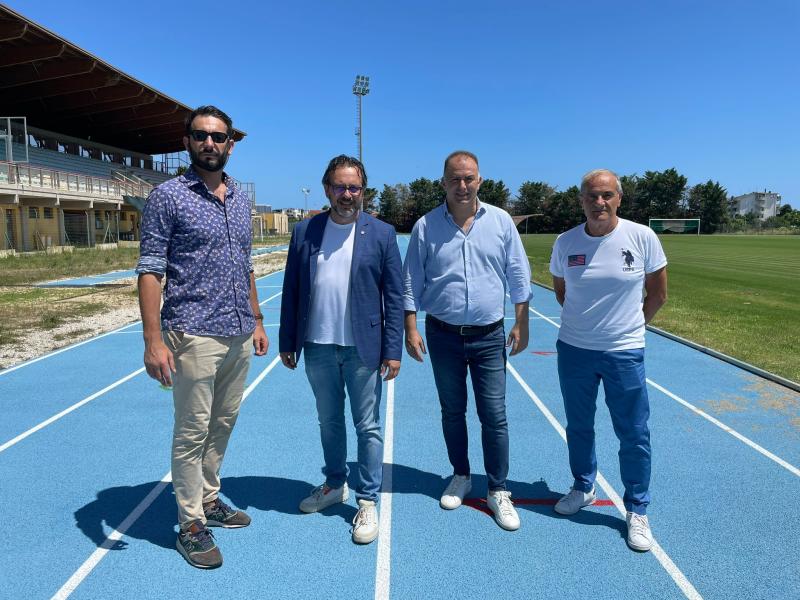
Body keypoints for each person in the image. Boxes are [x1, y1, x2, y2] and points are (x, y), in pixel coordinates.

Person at [136, 105, 268, 569]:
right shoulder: (168, 197)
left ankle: (210, 498)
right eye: (201, 136)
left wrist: (256, 319)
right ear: (187, 141)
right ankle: (190, 523)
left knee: (222, 423)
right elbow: (150, 270)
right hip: (191, 333)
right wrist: (153, 340)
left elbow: (246, 264)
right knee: (191, 431)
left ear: (230, 143)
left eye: (219, 137)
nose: (210, 144)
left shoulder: (239, 198)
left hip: (236, 332)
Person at [403, 150, 531, 531]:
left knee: (494, 415)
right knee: (452, 410)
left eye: (469, 178)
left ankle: (498, 489)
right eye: (455, 179)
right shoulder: (426, 227)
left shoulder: (502, 222)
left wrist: (521, 324)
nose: (462, 186)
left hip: (489, 335)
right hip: (442, 334)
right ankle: (460, 474)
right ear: (443, 182)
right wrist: (411, 328)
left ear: (480, 181)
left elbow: (519, 276)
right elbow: (411, 281)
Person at [279, 155, 403, 544]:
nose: (347, 194)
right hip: (317, 345)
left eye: (354, 187)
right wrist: (288, 341)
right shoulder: (305, 231)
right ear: (327, 188)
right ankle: (335, 485)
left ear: (363, 191)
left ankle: (367, 501)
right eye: (340, 186)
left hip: (363, 348)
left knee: (368, 426)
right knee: (329, 421)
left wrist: (393, 348)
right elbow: (291, 290)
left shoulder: (381, 234)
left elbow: (395, 296)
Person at [549, 168, 668, 552]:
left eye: (606, 195)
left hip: (624, 352)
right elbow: (562, 293)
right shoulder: (566, 242)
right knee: (579, 426)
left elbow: (658, 294)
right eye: (591, 196)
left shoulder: (642, 237)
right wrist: (589, 329)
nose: (599, 202)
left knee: (633, 432)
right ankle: (583, 486)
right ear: (581, 200)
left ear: (619, 198)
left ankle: (637, 508)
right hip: (575, 350)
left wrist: (629, 329)